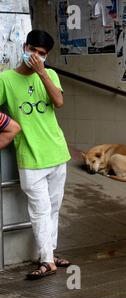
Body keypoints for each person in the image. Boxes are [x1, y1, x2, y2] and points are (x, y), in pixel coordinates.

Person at [0, 30, 72, 279]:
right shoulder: (6, 79)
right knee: (40, 210)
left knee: (53, 209)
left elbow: (59, 103)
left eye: (42, 54)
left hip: (57, 153)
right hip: (30, 157)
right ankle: (47, 260)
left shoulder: (49, 74)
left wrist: (42, 73)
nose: (36, 57)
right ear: (25, 47)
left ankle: (48, 255)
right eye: (33, 51)